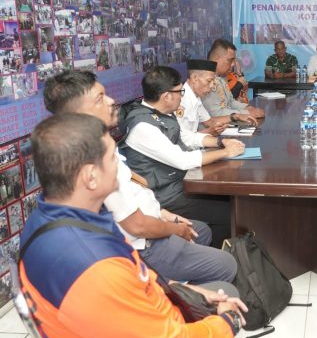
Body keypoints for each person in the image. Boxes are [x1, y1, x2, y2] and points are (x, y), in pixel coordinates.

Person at [19, 113, 307, 338]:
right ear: (90, 176)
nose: (121, 167)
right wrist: (227, 322)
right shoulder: (93, 266)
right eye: (113, 159)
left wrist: (186, 291)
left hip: (149, 323)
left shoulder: (47, 220)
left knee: (221, 289)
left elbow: (138, 277)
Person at [43, 70, 237, 284]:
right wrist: (175, 229)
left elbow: (135, 186)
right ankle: (180, 291)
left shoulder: (100, 142)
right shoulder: (93, 159)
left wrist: (163, 214)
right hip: (145, 243)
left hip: (153, 214)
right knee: (227, 263)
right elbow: (136, 226)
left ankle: (184, 287)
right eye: (100, 98)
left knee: (202, 231)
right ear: (79, 112)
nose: (111, 101)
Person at [119, 66, 245, 247]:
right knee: (229, 213)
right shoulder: (142, 127)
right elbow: (183, 160)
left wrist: (220, 142)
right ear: (166, 96)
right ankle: (215, 257)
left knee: (229, 201)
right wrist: (226, 152)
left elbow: (187, 137)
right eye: (180, 92)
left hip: (177, 183)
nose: (182, 96)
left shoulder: (161, 114)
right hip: (163, 195)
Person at [180, 59, 257, 137]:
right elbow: (179, 138)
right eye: (209, 81)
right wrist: (208, 132)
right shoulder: (181, 101)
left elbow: (209, 122)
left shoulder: (195, 97)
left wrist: (236, 116)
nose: (212, 86)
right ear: (194, 78)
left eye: (213, 82)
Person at [202, 39, 265, 118]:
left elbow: (230, 102)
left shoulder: (220, 78)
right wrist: (247, 113)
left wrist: (247, 108)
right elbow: (216, 113)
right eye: (230, 60)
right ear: (217, 59)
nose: (233, 64)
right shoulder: (206, 81)